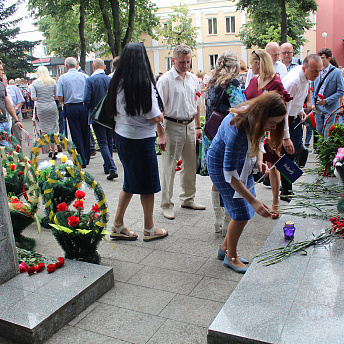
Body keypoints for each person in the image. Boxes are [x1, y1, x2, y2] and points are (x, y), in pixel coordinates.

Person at [207, 92, 287, 273]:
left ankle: (224, 248)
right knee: (241, 212)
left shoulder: (256, 115)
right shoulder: (238, 128)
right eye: (272, 123)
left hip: (242, 163)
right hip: (221, 167)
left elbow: (258, 139)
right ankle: (231, 257)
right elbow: (229, 172)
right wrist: (253, 201)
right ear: (263, 114)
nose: (274, 128)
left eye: (277, 123)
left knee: (245, 209)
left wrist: (259, 160)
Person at [107, 42, 168, 242]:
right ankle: (149, 228)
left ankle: (118, 224)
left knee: (130, 182)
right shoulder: (143, 83)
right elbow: (153, 117)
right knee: (147, 184)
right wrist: (161, 116)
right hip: (140, 140)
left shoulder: (117, 81)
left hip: (122, 136)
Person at [157, 44, 205, 220]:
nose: (185, 65)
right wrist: (160, 134)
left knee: (190, 165)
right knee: (169, 166)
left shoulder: (193, 79)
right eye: (182, 62)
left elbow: (197, 103)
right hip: (172, 125)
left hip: (190, 125)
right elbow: (158, 110)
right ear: (173, 60)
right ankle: (166, 204)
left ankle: (188, 198)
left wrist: (198, 126)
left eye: (188, 61)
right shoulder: (165, 81)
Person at [245, 49, 292, 219]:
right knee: (253, 162)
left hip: (271, 129)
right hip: (253, 128)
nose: (250, 66)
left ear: (259, 63)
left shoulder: (276, 83)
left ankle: (275, 201)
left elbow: (283, 109)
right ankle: (251, 200)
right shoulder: (252, 81)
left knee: (272, 164)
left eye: (251, 63)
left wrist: (282, 134)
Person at [202, 51, 244, 235]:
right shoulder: (232, 84)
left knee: (216, 178)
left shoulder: (211, 82)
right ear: (234, 65)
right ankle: (228, 220)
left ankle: (217, 219)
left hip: (209, 134)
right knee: (229, 177)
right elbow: (239, 110)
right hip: (225, 136)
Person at [281, 54, 323, 201]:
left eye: (319, 71)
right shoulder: (294, 82)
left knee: (288, 155)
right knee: (287, 153)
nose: (317, 75)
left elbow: (297, 99)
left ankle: (286, 188)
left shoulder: (305, 75)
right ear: (305, 68)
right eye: (314, 71)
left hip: (292, 116)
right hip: (282, 119)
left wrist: (300, 110)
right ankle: (285, 191)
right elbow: (284, 111)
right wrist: (286, 137)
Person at [83, 58, 118, 180]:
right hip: (109, 115)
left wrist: (90, 110)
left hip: (97, 116)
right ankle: (107, 166)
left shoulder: (90, 80)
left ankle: (111, 168)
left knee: (102, 142)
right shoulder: (110, 79)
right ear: (104, 67)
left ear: (93, 67)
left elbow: (86, 99)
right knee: (108, 141)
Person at [57, 57, 90, 168]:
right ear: (77, 65)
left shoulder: (62, 78)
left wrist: (64, 99)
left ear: (66, 66)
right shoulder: (85, 76)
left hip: (71, 106)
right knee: (86, 131)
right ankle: (87, 156)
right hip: (84, 106)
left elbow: (60, 96)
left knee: (76, 133)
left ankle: (81, 158)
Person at [311, 48, 344, 138]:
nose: (320, 60)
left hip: (330, 107)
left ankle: (324, 149)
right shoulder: (316, 70)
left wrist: (327, 100)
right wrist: (313, 103)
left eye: (322, 58)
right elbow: (312, 89)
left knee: (327, 131)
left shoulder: (337, 72)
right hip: (318, 106)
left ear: (329, 59)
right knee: (318, 130)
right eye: (319, 58)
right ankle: (319, 149)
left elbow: (341, 91)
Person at [31, 66, 59, 158]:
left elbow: (33, 98)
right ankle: (55, 148)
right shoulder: (52, 82)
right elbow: (56, 96)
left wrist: (41, 97)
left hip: (41, 107)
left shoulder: (35, 83)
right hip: (51, 106)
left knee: (44, 129)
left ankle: (49, 149)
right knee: (54, 127)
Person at [0, 61, 23, 146]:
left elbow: (8, 104)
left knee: (9, 150)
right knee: (5, 151)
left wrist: (16, 120)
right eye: (0, 70)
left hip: (5, 122)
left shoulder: (2, 85)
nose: (2, 72)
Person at [5, 77, 25, 146]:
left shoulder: (14, 89)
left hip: (15, 115)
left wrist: (15, 109)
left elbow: (21, 101)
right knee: (6, 138)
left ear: (6, 80)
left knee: (18, 137)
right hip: (4, 117)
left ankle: (19, 154)